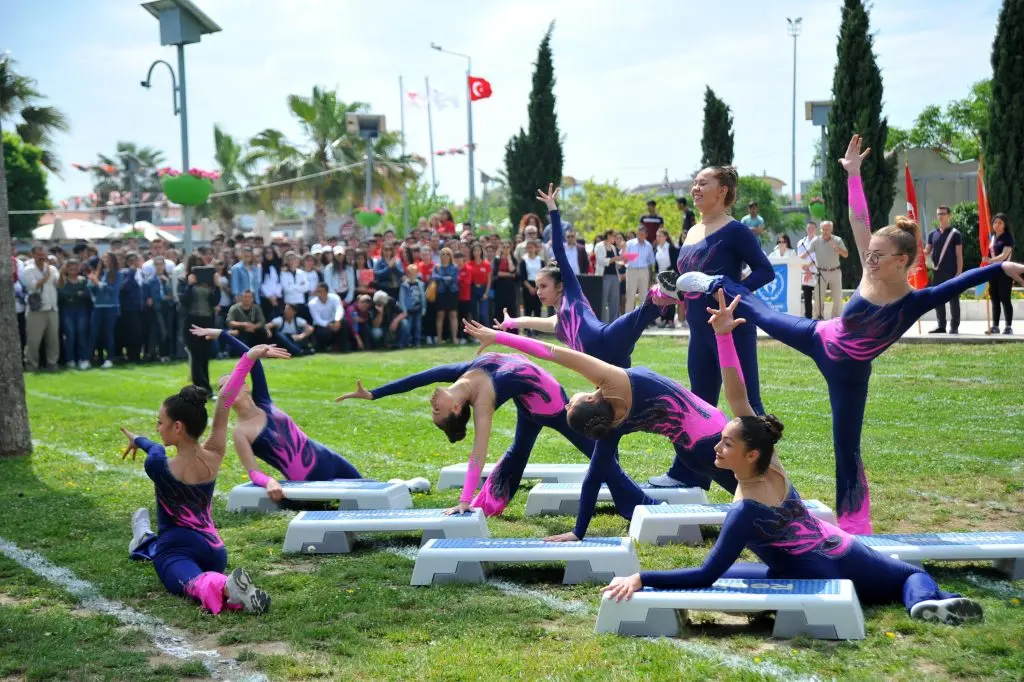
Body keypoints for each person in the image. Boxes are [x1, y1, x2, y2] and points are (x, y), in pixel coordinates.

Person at [663, 134, 1024, 534]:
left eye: (877, 255)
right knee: (757, 309)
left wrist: (998, 269)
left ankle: (855, 522)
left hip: (850, 373)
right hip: (819, 336)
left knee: (846, 447)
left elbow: (957, 283)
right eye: (868, 252)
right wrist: (853, 174)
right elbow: (858, 220)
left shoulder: (914, 302)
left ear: (901, 261)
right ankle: (711, 281)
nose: (868, 258)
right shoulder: (871, 273)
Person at [600, 297, 984, 628]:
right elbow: (738, 398)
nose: (716, 446)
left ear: (749, 454)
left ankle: (926, 602)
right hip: (831, 552)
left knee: (908, 572)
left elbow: (705, 574)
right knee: (909, 574)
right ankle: (927, 600)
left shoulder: (744, 510)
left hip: (816, 564)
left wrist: (641, 577)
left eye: (726, 443)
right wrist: (722, 336)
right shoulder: (770, 464)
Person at [462, 320, 734, 541]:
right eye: (571, 404)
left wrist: (578, 531)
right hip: (714, 433)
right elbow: (552, 352)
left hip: (692, 454)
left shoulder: (611, 427)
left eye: (566, 405)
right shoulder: (611, 380)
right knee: (757, 494)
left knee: (750, 496)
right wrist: (499, 338)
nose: (568, 401)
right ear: (590, 399)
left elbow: (593, 479)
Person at [123, 349, 282, 615]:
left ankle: (228, 586)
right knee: (192, 570)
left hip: (175, 551)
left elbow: (154, 448)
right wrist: (249, 358)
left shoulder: (158, 465)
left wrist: (137, 438)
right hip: (214, 552)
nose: (157, 428)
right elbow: (225, 401)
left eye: (160, 422)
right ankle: (235, 593)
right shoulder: (215, 453)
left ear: (177, 427)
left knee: (192, 583)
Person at [337, 353, 594, 516]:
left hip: (540, 397)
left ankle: (620, 481)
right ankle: (490, 503)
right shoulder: (482, 402)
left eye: (432, 409)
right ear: (457, 408)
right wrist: (464, 501)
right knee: (524, 451)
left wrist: (374, 394)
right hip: (540, 402)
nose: (432, 402)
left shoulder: (463, 374)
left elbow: (417, 379)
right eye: (437, 409)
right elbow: (478, 454)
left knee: (589, 451)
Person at [656, 166, 773, 488]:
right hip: (698, 332)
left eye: (702, 183)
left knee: (749, 406)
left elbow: (765, 271)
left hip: (730, 330)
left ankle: (769, 482)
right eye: (694, 182)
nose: (695, 188)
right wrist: (671, 292)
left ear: (722, 191)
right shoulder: (693, 231)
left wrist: (731, 292)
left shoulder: (736, 231)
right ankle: (688, 474)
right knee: (698, 405)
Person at [502, 186, 671, 365]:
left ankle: (666, 293)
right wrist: (510, 322)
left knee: (638, 316)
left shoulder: (572, 294)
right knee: (623, 392)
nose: (538, 292)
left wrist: (552, 209)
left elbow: (558, 249)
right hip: (604, 365)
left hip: (610, 338)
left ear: (559, 286)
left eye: (543, 286)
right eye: (537, 287)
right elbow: (531, 321)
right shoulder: (556, 323)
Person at [180, 255, 220, 392]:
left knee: (205, 356)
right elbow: (185, 301)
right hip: (192, 320)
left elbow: (215, 301)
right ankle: (201, 388)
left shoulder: (208, 283)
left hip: (207, 321)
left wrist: (217, 286)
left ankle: (205, 386)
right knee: (196, 355)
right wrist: (190, 285)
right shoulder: (183, 281)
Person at [20, 244, 61, 371]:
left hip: (52, 308)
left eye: (43, 254)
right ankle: (32, 365)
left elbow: (59, 285)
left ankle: (52, 364)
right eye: (38, 255)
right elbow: (34, 286)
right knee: (34, 340)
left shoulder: (53, 269)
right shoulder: (28, 270)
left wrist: (62, 271)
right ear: (33, 255)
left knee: (53, 339)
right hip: (36, 310)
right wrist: (47, 274)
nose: (41, 257)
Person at [923, 205, 963, 334]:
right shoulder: (932, 234)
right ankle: (941, 326)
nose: (940, 216)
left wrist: (959, 273)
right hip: (937, 272)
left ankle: (954, 327)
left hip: (952, 272)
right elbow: (927, 250)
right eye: (939, 214)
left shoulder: (955, 234)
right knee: (938, 299)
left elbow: (959, 255)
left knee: (953, 300)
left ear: (949, 216)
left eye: (943, 214)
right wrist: (920, 249)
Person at [88, 252, 124, 369]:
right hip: (98, 307)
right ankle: (87, 359)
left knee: (108, 333)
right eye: (103, 259)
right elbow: (93, 290)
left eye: (108, 259)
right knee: (93, 333)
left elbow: (113, 291)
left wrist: (98, 283)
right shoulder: (99, 273)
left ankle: (109, 358)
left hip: (111, 307)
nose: (105, 261)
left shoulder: (117, 274)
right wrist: (91, 283)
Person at [809, 221, 849, 320]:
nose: (825, 231)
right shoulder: (815, 241)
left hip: (835, 272)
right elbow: (807, 254)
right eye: (823, 229)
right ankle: (818, 317)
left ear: (831, 229)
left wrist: (836, 248)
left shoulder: (837, 240)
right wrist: (806, 266)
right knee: (818, 297)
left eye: (827, 229)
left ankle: (836, 318)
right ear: (820, 229)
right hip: (821, 272)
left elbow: (846, 254)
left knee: (837, 297)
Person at [983, 213, 1015, 335]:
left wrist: (991, 260)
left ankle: (1008, 326)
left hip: (1005, 272)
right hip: (993, 272)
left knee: (1005, 298)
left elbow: (1004, 255)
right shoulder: (992, 238)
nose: (996, 225)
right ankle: (995, 326)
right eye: (995, 222)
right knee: (995, 299)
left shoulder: (1008, 238)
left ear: (1004, 225)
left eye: (999, 222)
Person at [57, 258, 91, 371]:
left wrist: (72, 296)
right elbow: (62, 294)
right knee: (70, 334)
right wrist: (76, 294)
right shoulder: (63, 281)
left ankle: (83, 359)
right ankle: (70, 360)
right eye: (70, 266)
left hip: (81, 309)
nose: (73, 269)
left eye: (75, 266)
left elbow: (86, 294)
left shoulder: (83, 280)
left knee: (81, 333)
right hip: (67, 310)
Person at [623, 224, 656, 313]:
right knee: (630, 296)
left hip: (644, 271)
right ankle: (628, 320)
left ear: (646, 235)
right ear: (637, 234)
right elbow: (623, 257)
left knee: (644, 296)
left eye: (642, 234)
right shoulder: (629, 244)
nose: (640, 236)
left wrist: (651, 278)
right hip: (631, 271)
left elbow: (651, 262)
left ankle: (642, 319)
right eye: (639, 234)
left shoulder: (648, 245)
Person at [594, 230, 623, 323]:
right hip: (604, 276)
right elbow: (601, 260)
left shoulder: (613, 247)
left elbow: (614, 263)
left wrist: (621, 262)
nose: (615, 238)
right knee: (603, 300)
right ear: (608, 235)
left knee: (614, 301)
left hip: (614, 276)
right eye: (614, 236)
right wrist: (614, 259)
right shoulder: (599, 246)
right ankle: (602, 321)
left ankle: (613, 322)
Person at [432, 247, 459, 344]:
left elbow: (455, 278)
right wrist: (445, 278)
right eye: (443, 254)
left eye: (447, 254)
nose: (445, 256)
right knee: (440, 315)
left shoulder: (454, 266)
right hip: (441, 292)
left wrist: (443, 279)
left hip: (452, 292)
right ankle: (439, 338)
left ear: (450, 256)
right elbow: (434, 277)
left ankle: (454, 338)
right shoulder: (437, 266)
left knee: (453, 315)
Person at [308, 282, 344, 351]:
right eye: (317, 291)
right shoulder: (312, 303)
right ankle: (324, 347)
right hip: (321, 325)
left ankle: (342, 347)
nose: (318, 293)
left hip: (334, 322)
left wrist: (337, 320)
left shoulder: (335, 297)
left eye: (320, 291)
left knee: (344, 323)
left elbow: (339, 309)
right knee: (322, 332)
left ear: (327, 292)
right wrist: (329, 325)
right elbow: (317, 319)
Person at [654, 229, 679, 328]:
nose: (658, 238)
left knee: (670, 299)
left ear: (665, 237)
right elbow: (656, 264)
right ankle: (663, 318)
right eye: (657, 236)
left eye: (660, 236)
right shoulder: (657, 248)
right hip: (659, 276)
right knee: (662, 299)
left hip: (670, 275)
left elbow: (675, 263)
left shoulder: (670, 248)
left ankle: (670, 320)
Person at [491, 241, 519, 331]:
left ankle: (512, 330)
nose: (506, 249)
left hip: (510, 288)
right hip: (500, 287)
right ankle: (499, 329)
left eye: (508, 247)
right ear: (501, 248)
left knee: (511, 308)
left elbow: (513, 271)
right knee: (499, 308)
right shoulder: (497, 260)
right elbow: (497, 273)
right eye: (504, 247)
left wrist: (509, 258)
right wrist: (510, 275)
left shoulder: (513, 259)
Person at [518, 240, 545, 328]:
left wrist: (538, 287)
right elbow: (522, 277)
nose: (530, 249)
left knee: (538, 308)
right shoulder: (524, 261)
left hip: (539, 285)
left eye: (532, 247)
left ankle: (538, 330)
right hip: (527, 286)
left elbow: (544, 274)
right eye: (528, 248)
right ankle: (527, 329)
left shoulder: (540, 260)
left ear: (535, 248)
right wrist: (530, 288)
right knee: (527, 309)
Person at [399, 265, 426, 348]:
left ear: (417, 273)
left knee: (418, 326)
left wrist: (424, 308)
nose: (412, 275)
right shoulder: (404, 285)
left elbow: (423, 297)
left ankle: (417, 342)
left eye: (414, 273)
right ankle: (408, 341)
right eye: (410, 273)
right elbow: (401, 298)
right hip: (408, 309)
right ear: (407, 274)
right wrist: (404, 310)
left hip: (418, 308)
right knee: (408, 327)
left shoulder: (420, 284)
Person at [796, 222, 819, 319]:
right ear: (806, 229)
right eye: (809, 228)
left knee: (818, 297)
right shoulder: (801, 242)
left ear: (816, 229)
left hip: (817, 272)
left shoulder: (820, 241)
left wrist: (809, 267)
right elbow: (799, 258)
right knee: (807, 297)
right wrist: (807, 270)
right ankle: (808, 317)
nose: (810, 230)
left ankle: (818, 316)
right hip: (805, 273)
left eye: (812, 228)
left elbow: (819, 256)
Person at [467, 243, 492, 325]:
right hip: (472, 289)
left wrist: (486, 293)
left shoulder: (487, 264)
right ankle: (475, 335)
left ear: (481, 251)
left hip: (483, 289)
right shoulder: (469, 264)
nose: (476, 252)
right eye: (474, 250)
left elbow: (489, 280)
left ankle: (487, 334)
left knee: (483, 314)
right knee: (474, 313)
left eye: (478, 250)